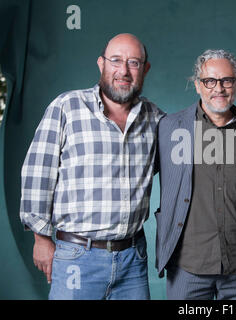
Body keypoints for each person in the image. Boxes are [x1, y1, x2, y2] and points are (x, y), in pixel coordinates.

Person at [19, 33, 165, 300]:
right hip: (77, 256)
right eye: (116, 60)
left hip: (133, 258)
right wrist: (41, 237)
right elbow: (38, 171)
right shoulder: (67, 107)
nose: (123, 71)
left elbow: (187, 151)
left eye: (133, 63)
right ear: (101, 64)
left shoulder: (155, 118)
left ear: (145, 69)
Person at [155, 49, 236, 300]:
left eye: (227, 80)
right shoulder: (168, 128)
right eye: (209, 81)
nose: (219, 88)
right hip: (188, 268)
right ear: (197, 85)